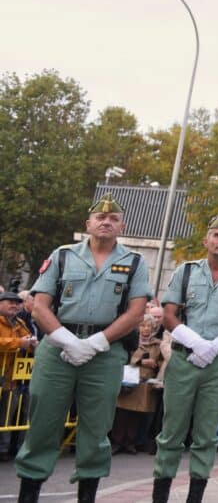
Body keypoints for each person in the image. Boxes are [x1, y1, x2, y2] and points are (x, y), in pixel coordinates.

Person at [16, 194, 151, 503]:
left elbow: (136, 312)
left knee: (96, 429)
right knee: (43, 422)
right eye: (100, 217)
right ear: (88, 224)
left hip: (104, 352)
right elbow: (39, 306)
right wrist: (68, 340)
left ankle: (87, 496)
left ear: (122, 226)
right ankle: (28, 496)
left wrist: (96, 342)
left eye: (113, 218)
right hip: (58, 348)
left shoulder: (134, 262)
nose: (106, 221)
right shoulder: (63, 255)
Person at [152, 212, 218, 503]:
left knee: (207, 435)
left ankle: (195, 497)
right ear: (206, 240)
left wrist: (215, 346)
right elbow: (169, 315)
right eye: (217, 235)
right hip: (184, 358)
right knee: (171, 432)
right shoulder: (185, 272)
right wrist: (196, 343)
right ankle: (160, 496)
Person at [110, 314, 163, 455]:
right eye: (142, 325)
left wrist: (155, 364)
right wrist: (139, 361)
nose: (145, 329)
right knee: (121, 412)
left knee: (136, 414)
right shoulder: (130, 339)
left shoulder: (157, 344)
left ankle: (130, 443)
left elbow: (162, 362)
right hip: (128, 379)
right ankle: (117, 442)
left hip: (145, 382)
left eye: (149, 326)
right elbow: (124, 356)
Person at [0, 291, 35, 461]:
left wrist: (32, 344)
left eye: (17, 302)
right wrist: (19, 343)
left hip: (11, 377)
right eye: (10, 302)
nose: (14, 305)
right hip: (3, 372)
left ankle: (3, 449)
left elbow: (28, 339)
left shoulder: (19, 323)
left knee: (7, 413)